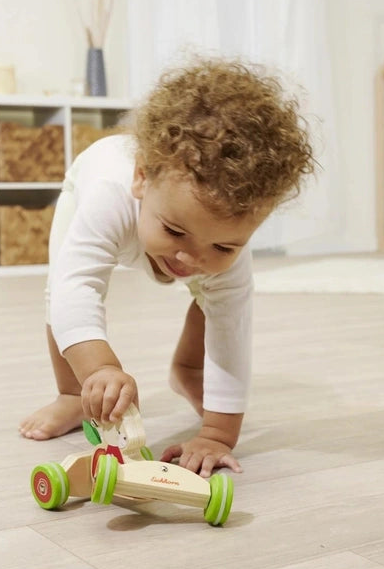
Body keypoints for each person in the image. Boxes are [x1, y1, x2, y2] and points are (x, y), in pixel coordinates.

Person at [18, 56, 316, 478]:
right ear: (142, 177)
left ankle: (186, 369)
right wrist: (100, 368)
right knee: (62, 292)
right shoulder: (108, 197)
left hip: (161, 219)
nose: (192, 259)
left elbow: (232, 326)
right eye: (175, 231)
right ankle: (72, 392)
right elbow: (76, 288)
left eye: (225, 245)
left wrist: (217, 432)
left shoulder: (223, 236)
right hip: (84, 190)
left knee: (217, 295)